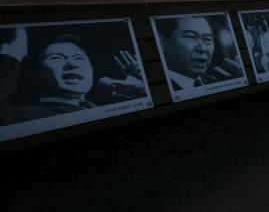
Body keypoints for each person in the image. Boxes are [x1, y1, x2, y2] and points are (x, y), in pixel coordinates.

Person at [1, 29, 144, 127]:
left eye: (78, 58)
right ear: (36, 74)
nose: (71, 64)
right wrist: (11, 56)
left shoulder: (112, 105)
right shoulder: (19, 116)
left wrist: (143, 91)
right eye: (57, 58)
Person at [158, 16, 218, 90]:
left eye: (207, 39)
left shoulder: (215, 81)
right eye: (191, 37)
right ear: (163, 43)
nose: (202, 48)